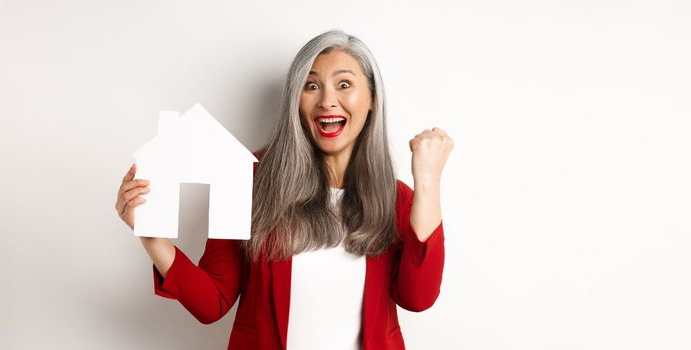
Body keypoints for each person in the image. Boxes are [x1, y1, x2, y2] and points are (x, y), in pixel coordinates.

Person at [114, 30, 453, 349]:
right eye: (311, 86)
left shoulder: (398, 199)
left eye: (344, 84)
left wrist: (427, 184)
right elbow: (212, 303)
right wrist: (151, 236)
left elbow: (417, 297)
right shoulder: (248, 180)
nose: (327, 101)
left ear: (371, 100)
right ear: (296, 100)